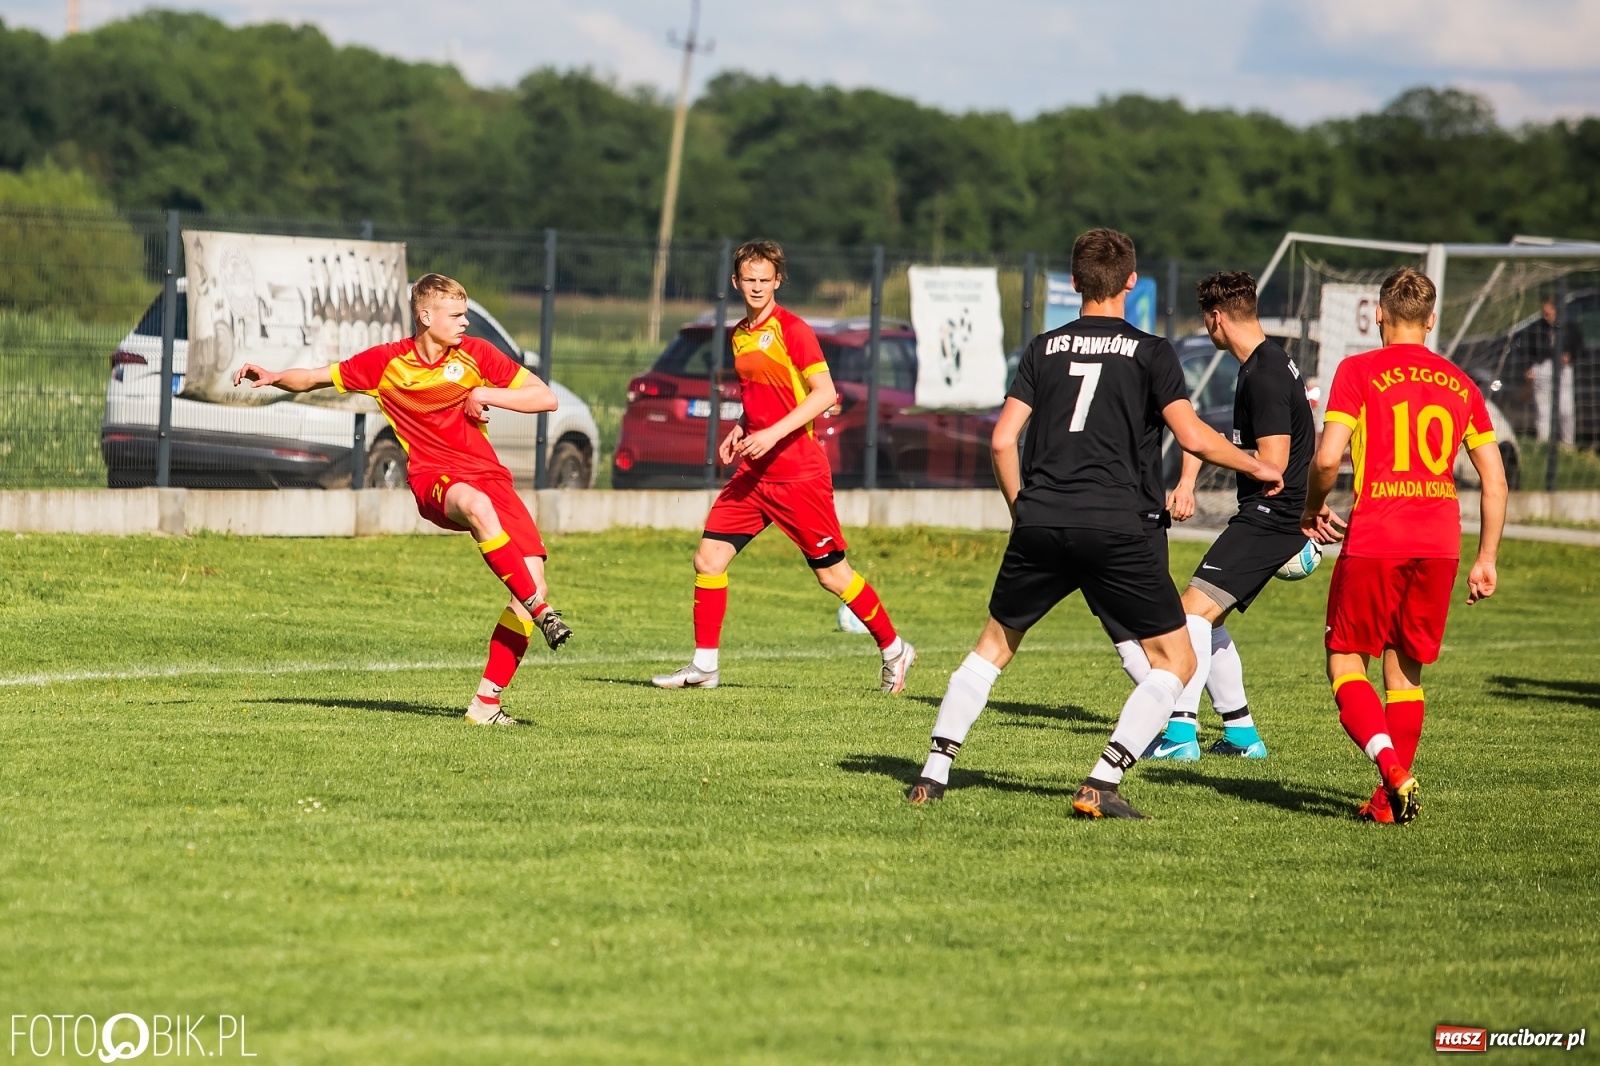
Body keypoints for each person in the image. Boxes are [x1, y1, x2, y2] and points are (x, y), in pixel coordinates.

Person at [904, 228, 1283, 820]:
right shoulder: (1153, 352)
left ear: (1075, 281)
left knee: (991, 649)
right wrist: (1255, 463)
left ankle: (932, 774)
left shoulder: (1041, 347)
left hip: (1042, 520)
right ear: (1131, 282)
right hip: (1119, 525)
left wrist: (1022, 512)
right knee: (1176, 662)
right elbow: (1191, 436)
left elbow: (1003, 440)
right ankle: (1101, 782)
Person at [233, 273, 572, 726]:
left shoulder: (477, 356)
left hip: (493, 478)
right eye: (456, 314)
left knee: (531, 582)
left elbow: (545, 397)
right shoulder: (386, 363)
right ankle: (543, 612)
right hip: (435, 478)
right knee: (476, 508)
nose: (465, 322)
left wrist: (484, 393)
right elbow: (315, 377)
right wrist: (274, 376)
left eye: (466, 313)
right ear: (425, 315)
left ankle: (485, 705)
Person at [652, 239, 916, 693]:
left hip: (798, 475)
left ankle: (895, 649)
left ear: (778, 280)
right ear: (736, 281)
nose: (756, 287)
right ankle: (704, 667)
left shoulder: (793, 330)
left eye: (764, 279)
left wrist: (773, 434)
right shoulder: (739, 333)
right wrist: (742, 426)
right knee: (709, 558)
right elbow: (763, 398)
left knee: (833, 576)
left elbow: (824, 394)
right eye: (748, 279)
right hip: (754, 475)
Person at [1302, 267, 1507, 824]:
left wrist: (1311, 507)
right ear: (1432, 320)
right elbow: (1495, 478)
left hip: (1379, 533)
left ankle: (1393, 771)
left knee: (1345, 662)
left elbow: (1326, 459)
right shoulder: (1460, 382)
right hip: (1440, 539)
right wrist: (1486, 558)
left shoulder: (1358, 369)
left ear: (1377, 316)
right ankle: (1386, 805)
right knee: (1406, 669)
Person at [1136, 271, 1317, 761]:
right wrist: (1190, 476)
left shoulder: (1266, 374)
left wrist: (1297, 515)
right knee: (1209, 620)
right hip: (1270, 516)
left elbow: (1272, 464)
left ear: (1217, 318)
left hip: (1269, 516)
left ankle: (1180, 734)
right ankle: (1241, 735)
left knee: (1188, 611)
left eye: (1206, 321)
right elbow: (1214, 434)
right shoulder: (1259, 364)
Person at [1520, 296, 1579, 447]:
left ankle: (1568, 445)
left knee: (1566, 410)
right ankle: (1543, 444)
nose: (1546, 314)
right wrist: (1529, 368)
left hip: (1563, 370)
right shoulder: (1536, 328)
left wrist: (1569, 356)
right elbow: (1527, 349)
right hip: (1542, 368)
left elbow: (1578, 346)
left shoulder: (1569, 327)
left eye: (1549, 310)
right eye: (1544, 311)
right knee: (1543, 410)